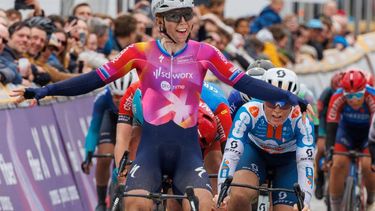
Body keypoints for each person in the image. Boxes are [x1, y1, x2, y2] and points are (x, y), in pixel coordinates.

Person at [11, 0, 312, 209]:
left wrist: (288, 97)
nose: (183, 23)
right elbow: (94, 79)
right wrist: (43, 90)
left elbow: (245, 83)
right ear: (159, 21)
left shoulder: (204, 52)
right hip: (150, 153)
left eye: (187, 15)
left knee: (206, 205)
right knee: (135, 204)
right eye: (174, 16)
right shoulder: (139, 52)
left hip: (188, 155)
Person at [218, 68, 314, 211]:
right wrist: (222, 191)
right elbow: (231, 154)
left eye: (284, 104)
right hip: (255, 154)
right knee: (238, 196)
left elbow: (305, 163)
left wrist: (305, 201)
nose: (277, 110)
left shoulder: (302, 119)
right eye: (271, 103)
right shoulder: (248, 112)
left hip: (288, 161)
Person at [81, 72, 137, 211]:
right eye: (115, 97)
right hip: (111, 122)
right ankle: (101, 202)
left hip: (131, 122)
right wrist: (88, 154)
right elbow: (94, 129)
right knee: (104, 156)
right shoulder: (103, 98)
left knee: (130, 154)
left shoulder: (139, 95)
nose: (118, 100)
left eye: (122, 96)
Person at [326, 69, 375, 211]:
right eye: (349, 96)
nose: (354, 100)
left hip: (368, 134)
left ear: (365, 90)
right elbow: (331, 126)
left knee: (368, 165)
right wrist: (330, 151)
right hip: (346, 132)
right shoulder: (337, 96)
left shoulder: (372, 96)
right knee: (337, 164)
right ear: (343, 92)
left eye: (358, 95)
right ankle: (335, 206)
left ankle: (371, 198)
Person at [314, 70, 343, 199]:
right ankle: (319, 180)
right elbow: (318, 109)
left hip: (341, 123)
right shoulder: (327, 92)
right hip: (325, 122)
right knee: (321, 149)